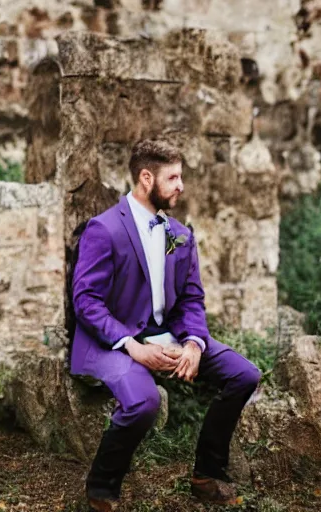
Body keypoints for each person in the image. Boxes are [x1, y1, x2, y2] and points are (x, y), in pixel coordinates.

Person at [69, 138, 261, 510]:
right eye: (172, 177)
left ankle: (206, 474)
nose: (180, 186)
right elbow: (86, 301)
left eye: (180, 176)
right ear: (145, 178)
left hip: (168, 335)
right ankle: (101, 490)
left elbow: (191, 299)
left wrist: (193, 343)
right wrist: (133, 346)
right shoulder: (104, 229)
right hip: (115, 340)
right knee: (143, 403)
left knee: (244, 375)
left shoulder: (180, 235)